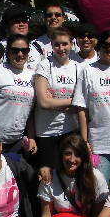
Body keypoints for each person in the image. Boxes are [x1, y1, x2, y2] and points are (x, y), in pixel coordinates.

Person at [72, 30, 110, 182]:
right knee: (99, 189)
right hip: (98, 144)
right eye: (106, 45)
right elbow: (82, 108)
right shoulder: (87, 71)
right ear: (99, 46)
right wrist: (84, 141)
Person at [33, 27, 81, 169]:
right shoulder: (44, 65)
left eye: (65, 44)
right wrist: (72, 101)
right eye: (57, 44)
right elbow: (44, 102)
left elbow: (83, 102)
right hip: (47, 132)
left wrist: (55, 102)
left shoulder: (78, 67)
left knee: (70, 173)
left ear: (71, 44)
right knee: (49, 176)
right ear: (52, 46)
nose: (61, 48)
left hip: (70, 130)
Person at [0, 5, 43, 72]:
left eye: (24, 21)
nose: (21, 24)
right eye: (16, 21)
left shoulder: (37, 47)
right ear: (7, 26)